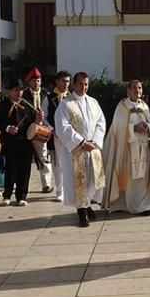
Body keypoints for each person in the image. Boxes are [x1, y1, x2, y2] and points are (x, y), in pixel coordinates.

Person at [102, 79, 150, 215]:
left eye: (140, 88)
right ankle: (126, 204)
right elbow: (117, 129)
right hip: (128, 150)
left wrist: (148, 128)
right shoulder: (122, 107)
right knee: (130, 178)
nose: (137, 91)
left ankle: (145, 206)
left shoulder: (144, 106)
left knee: (144, 177)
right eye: (134, 88)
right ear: (128, 90)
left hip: (144, 149)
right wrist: (134, 128)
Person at [56, 72, 107, 227]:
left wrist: (95, 141)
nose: (83, 87)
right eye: (80, 84)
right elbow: (63, 127)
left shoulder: (93, 102)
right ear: (74, 84)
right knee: (78, 182)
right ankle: (81, 212)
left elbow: (101, 122)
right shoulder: (65, 104)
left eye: (86, 84)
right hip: (76, 150)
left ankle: (88, 204)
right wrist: (81, 142)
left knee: (92, 179)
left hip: (92, 148)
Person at [0, 79, 36, 206]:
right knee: (11, 169)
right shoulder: (2, 105)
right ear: (9, 92)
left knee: (24, 170)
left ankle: (22, 196)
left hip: (25, 142)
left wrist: (39, 121)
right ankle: (7, 195)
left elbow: (33, 123)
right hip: (10, 142)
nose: (19, 93)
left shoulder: (28, 105)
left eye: (21, 90)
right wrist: (7, 128)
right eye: (16, 90)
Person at [22, 68, 54, 194]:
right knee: (25, 158)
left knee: (43, 156)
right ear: (29, 82)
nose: (36, 83)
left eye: (38, 81)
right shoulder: (24, 95)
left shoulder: (46, 94)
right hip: (27, 129)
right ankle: (21, 185)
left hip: (42, 129)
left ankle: (46, 184)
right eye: (34, 81)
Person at [47, 71, 71, 202]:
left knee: (69, 161)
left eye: (68, 81)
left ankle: (69, 189)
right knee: (57, 163)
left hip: (68, 135)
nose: (65, 84)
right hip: (55, 135)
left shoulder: (71, 97)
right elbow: (44, 117)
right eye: (63, 81)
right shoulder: (49, 98)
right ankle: (60, 191)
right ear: (57, 81)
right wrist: (52, 129)